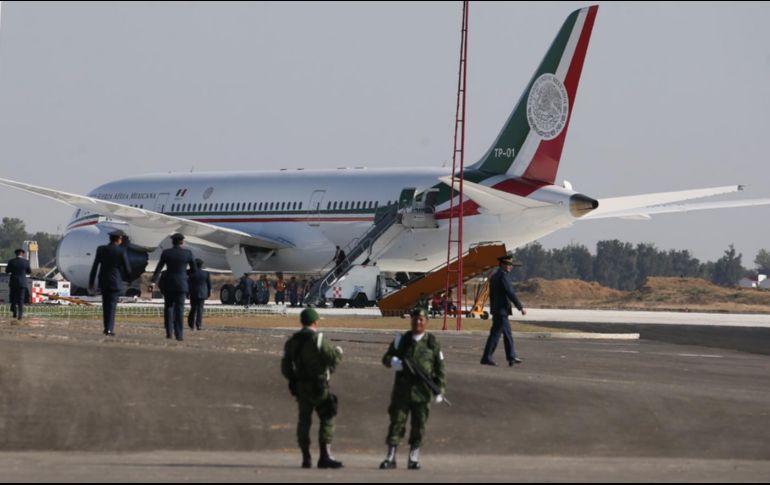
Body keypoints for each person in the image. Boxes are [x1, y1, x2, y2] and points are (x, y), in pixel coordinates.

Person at [380, 307, 447, 471]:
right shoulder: (401, 340)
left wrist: (440, 390)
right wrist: (393, 362)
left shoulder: (432, 343)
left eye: (421, 320)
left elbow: (440, 369)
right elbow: (386, 358)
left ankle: (413, 457)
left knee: (419, 426)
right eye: (415, 319)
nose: (418, 322)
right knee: (396, 423)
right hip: (402, 392)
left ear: (426, 322)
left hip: (422, 393)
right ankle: (390, 457)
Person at [281, 308, 344, 470]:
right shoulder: (319, 339)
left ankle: (306, 457)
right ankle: (325, 455)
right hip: (319, 385)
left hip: (301, 386)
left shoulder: (293, 341)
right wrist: (339, 353)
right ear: (315, 322)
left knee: (304, 420)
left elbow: (285, 367)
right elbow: (333, 359)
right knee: (328, 416)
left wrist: (294, 380)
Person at [480, 255, 526, 367]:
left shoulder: (495, 276)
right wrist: (520, 307)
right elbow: (510, 292)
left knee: (501, 334)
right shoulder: (503, 277)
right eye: (509, 264)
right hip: (501, 311)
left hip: (497, 310)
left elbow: (492, 295)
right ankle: (506, 357)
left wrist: (493, 308)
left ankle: (508, 357)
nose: (511, 267)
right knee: (500, 335)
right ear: (502, 264)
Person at [150, 233, 195, 341]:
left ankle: (169, 332)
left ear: (172, 241)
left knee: (169, 308)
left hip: (169, 284)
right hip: (182, 284)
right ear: (182, 242)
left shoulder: (166, 253)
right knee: (180, 310)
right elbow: (194, 270)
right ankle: (179, 334)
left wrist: (153, 282)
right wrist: (184, 273)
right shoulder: (188, 253)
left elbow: (159, 268)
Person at [88, 230, 132, 336]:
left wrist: (91, 282)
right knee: (112, 306)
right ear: (119, 239)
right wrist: (129, 280)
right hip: (115, 282)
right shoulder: (121, 251)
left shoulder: (101, 249)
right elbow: (127, 269)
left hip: (103, 281)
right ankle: (109, 329)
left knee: (105, 305)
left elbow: (95, 266)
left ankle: (106, 327)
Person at [6, 249, 31, 322]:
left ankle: (14, 311)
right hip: (22, 283)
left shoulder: (11, 261)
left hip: (13, 282)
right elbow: (29, 271)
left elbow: (7, 271)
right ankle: (20, 315)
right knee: (21, 298)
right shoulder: (26, 262)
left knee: (13, 297)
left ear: (16, 254)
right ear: (22, 254)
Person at [187, 258, 211, 331]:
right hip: (203, 293)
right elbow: (209, 285)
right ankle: (199, 325)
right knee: (200, 310)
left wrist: (187, 293)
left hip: (193, 293)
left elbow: (187, 283)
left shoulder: (190, 272)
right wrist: (208, 293)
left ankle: (191, 325)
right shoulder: (206, 273)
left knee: (193, 309)